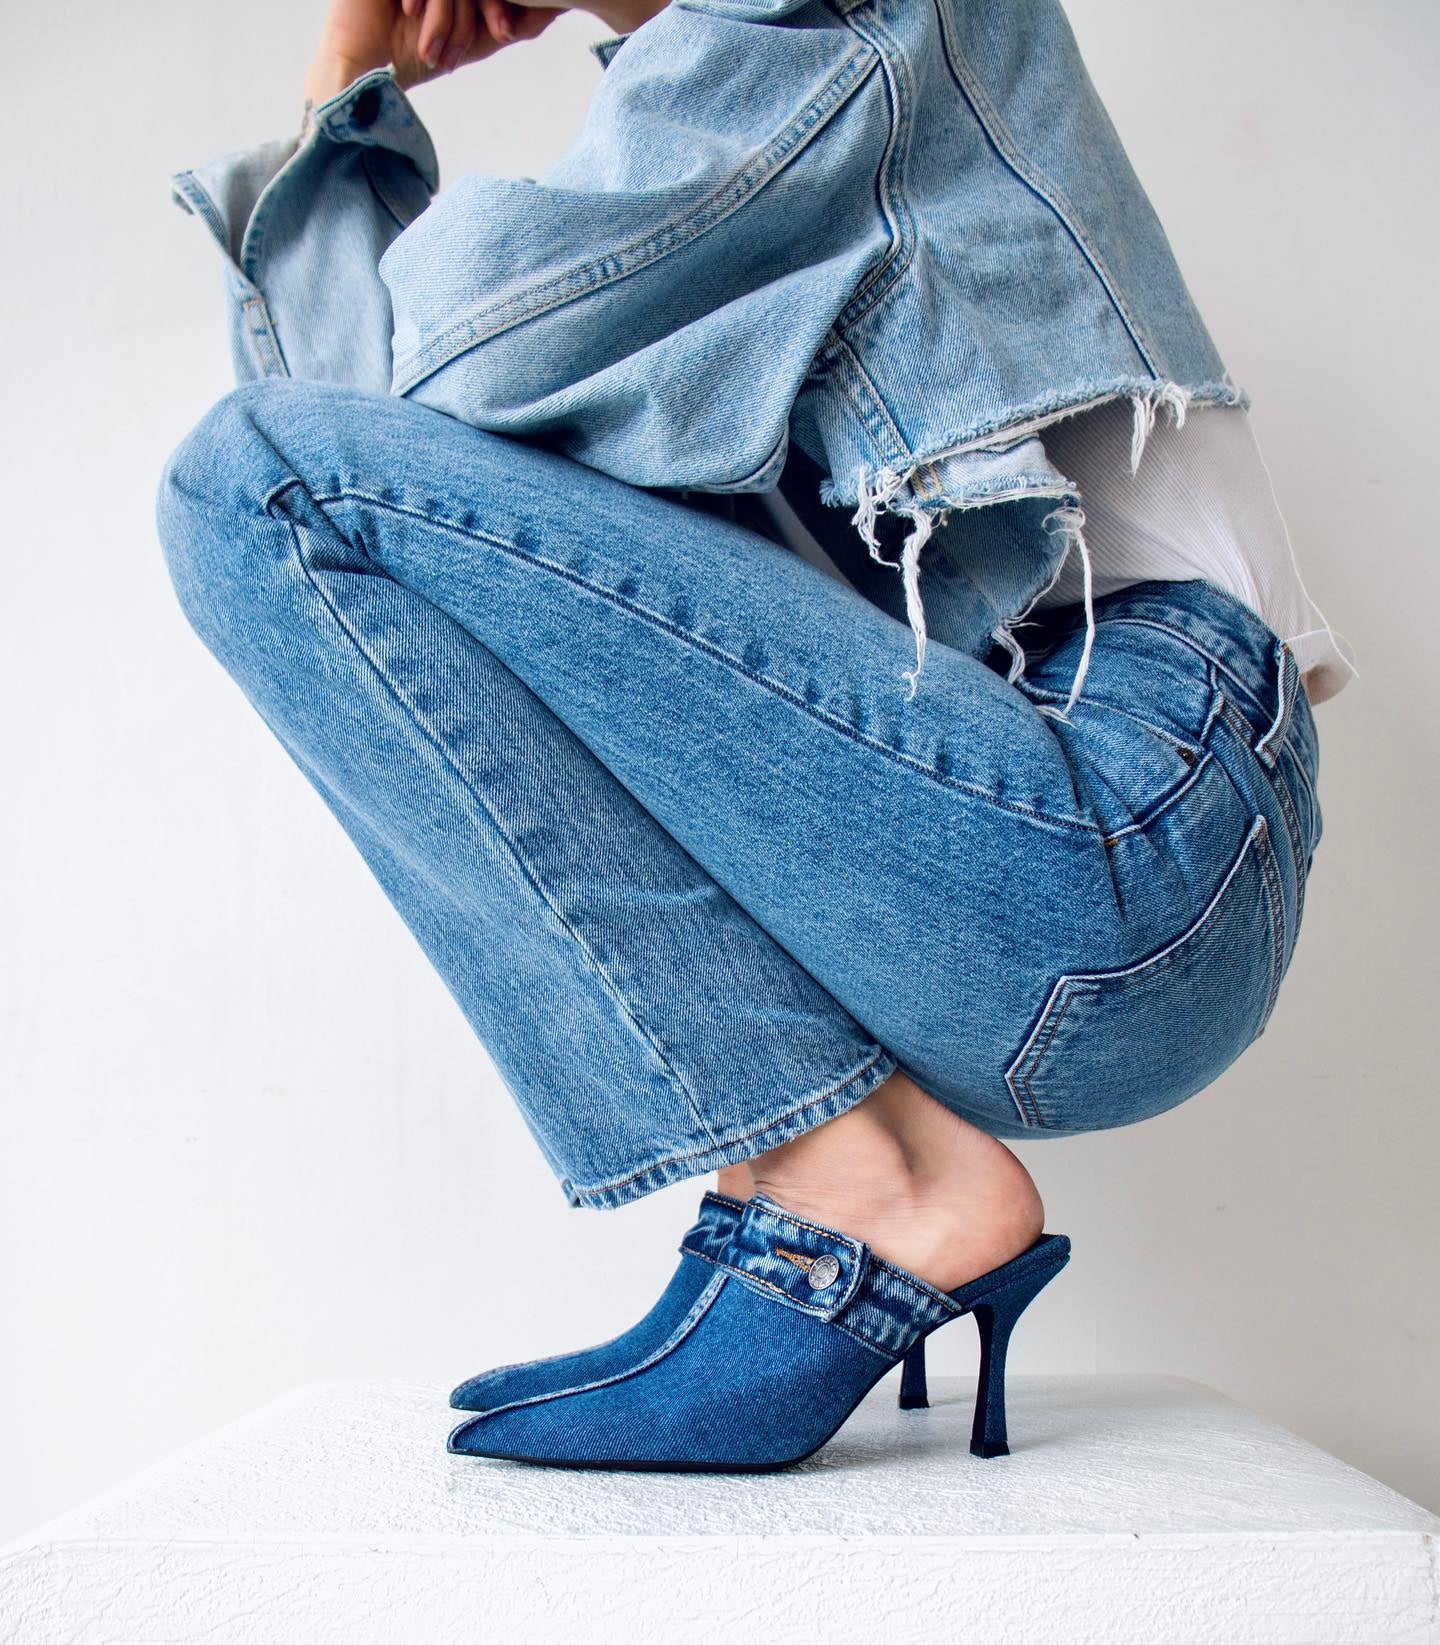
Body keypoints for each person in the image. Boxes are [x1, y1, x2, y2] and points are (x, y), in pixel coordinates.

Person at [154, 0, 1357, 1471]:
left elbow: (406, 391)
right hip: (998, 855)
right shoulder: (685, 150)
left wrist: (352, 118)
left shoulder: (847, 20)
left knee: (253, 477)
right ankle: (852, 1166)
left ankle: (843, 1183)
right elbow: (357, 494)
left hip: (1138, 804)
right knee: (266, 487)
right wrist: (345, 94)